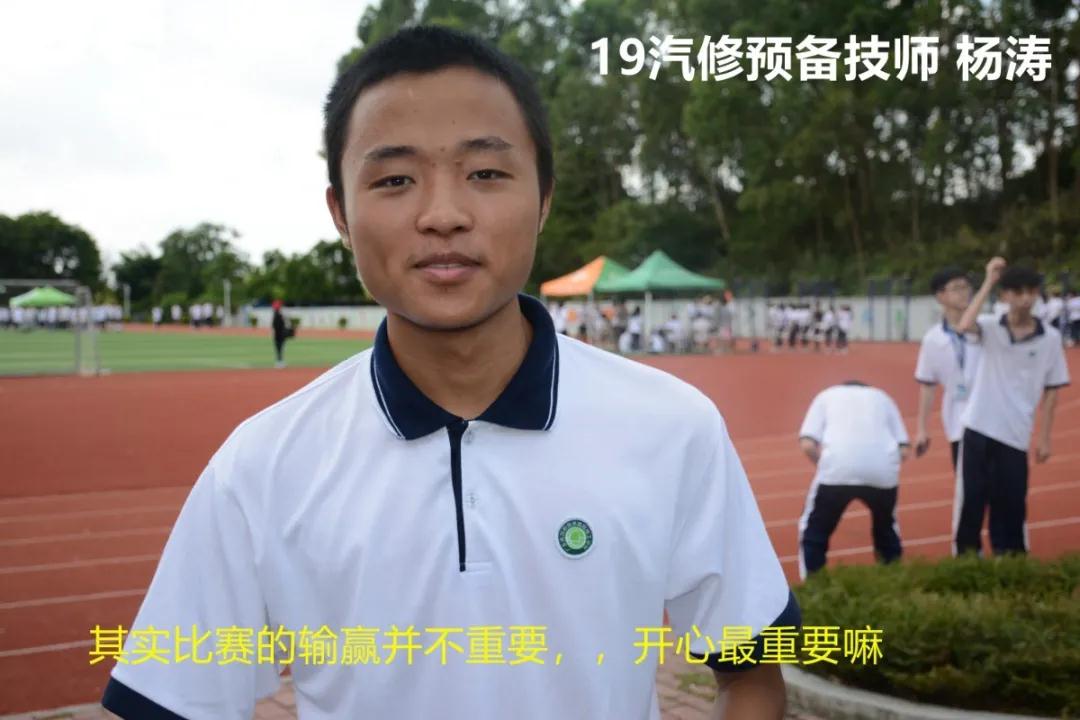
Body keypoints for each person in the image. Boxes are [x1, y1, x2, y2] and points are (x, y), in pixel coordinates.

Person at [102, 26, 796, 720]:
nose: (443, 215)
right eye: (394, 180)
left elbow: (752, 674)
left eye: (485, 173)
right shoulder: (261, 466)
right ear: (340, 213)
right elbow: (172, 701)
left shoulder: (671, 426)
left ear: (544, 197)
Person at [951, 259, 1070, 556]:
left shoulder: (1050, 338)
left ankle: (1011, 565)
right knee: (973, 501)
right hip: (978, 427)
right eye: (1017, 292)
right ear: (1005, 295)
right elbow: (964, 325)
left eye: (1031, 291)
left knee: (1012, 505)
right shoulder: (991, 327)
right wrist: (988, 281)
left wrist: (1045, 438)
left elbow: (1052, 390)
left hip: (1015, 434)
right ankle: (966, 563)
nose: (1025, 298)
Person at [797, 381, 911, 579]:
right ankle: (894, 579)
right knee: (886, 529)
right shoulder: (884, 397)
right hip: (882, 471)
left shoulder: (825, 395)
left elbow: (807, 444)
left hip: (837, 470)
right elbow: (904, 448)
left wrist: (824, 465)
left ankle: (813, 584)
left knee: (814, 531)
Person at [914, 268, 981, 470]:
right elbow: (927, 385)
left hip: (994, 419)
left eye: (966, 287)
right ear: (940, 296)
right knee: (967, 484)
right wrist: (922, 429)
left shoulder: (987, 329)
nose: (964, 293)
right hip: (958, 422)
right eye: (956, 288)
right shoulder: (933, 339)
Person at [271, 299, 292, 368]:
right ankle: (279, 362)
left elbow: (274, 325)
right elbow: (277, 325)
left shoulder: (277, 315)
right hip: (279, 335)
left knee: (279, 349)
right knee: (279, 349)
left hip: (278, 335)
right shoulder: (279, 315)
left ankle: (279, 361)